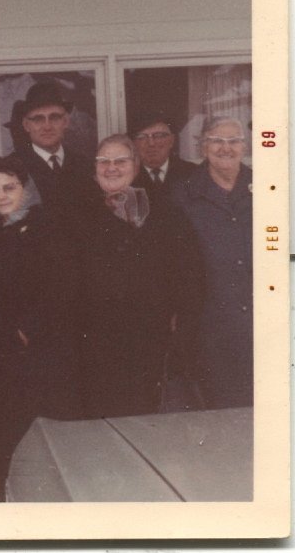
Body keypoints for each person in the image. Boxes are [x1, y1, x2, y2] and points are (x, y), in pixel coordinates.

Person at [74, 134, 204, 419]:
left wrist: (179, 318)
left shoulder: (162, 211)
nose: (111, 168)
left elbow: (188, 271)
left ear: (135, 166)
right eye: (103, 161)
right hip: (97, 343)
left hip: (150, 341)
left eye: (120, 160)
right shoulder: (79, 215)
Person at [0, 155, 82, 501]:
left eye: (10, 187)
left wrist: (31, 327)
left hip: (44, 349)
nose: (2, 196)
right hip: (6, 354)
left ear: (26, 188)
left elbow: (62, 284)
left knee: (48, 427)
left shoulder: (46, 227)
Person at [170, 116, 253, 409]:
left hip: (262, 322)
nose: (226, 148)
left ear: (245, 146)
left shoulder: (269, 186)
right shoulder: (182, 195)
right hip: (210, 327)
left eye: (234, 141)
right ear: (203, 147)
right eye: (217, 140)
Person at [13, 82, 95, 210]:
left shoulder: (84, 164)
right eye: (38, 119)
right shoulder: (13, 168)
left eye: (54, 117)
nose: (47, 126)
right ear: (26, 125)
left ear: (66, 121)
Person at [129, 113, 197, 198]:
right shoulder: (128, 177)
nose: (151, 143)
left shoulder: (192, 173)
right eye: (142, 137)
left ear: (171, 141)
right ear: (133, 144)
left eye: (158, 136)